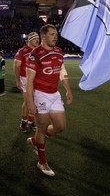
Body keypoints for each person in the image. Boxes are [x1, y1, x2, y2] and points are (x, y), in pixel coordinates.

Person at [25, 24, 73, 176]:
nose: (55, 36)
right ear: (43, 37)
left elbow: (62, 71)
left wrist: (68, 89)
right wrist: (30, 102)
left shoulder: (58, 52)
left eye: (56, 34)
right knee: (42, 127)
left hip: (54, 94)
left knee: (60, 127)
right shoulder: (35, 54)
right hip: (41, 94)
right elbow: (29, 81)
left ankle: (35, 141)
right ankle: (42, 162)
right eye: (52, 34)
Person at [14, 32, 40, 132]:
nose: (37, 40)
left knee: (35, 101)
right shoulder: (22, 51)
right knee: (28, 101)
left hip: (36, 79)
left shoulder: (39, 51)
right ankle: (24, 121)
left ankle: (30, 122)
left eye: (38, 38)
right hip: (25, 78)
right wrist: (18, 81)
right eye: (35, 39)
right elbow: (16, 66)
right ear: (29, 40)